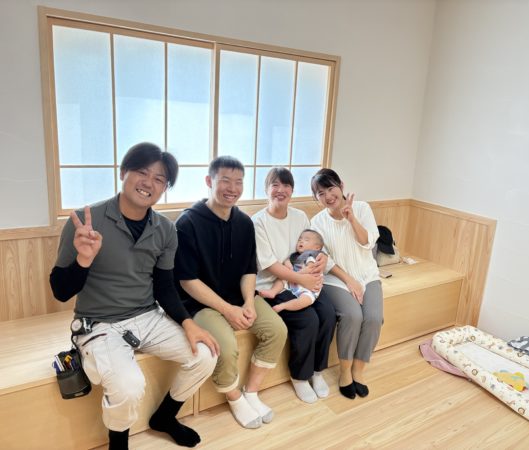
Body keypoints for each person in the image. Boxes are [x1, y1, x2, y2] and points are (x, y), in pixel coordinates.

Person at [49, 142, 219, 450]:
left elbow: (164, 287)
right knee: (129, 386)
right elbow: (60, 292)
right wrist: (84, 260)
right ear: (123, 172)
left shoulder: (165, 229)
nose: (149, 182)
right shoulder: (86, 221)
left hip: (147, 316)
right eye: (142, 172)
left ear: (164, 188)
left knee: (206, 354)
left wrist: (188, 323)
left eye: (159, 179)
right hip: (98, 322)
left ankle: (164, 417)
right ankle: (119, 445)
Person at [174, 156, 287, 429]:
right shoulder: (187, 223)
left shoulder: (245, 223)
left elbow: (249, 270)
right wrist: (228, 310)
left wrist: (248, 301)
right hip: (200, 304)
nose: (232, 188)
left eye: (238, 182)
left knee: (277, 330)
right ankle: (235, 398)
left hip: (240, 297)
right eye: (225, 180)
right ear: (209, 181)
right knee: (224, 347)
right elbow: (188, 281)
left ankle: (252, 392)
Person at [252, 168, 336, 404]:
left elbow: (315, 246)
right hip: (274, 284)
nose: (281, 190)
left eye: (286, 185)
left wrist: (321, 259)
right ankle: (300, 376)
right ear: (266, 189)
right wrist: (301, 279)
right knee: (308, 319)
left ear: (292, 190)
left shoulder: (300, 217)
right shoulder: (257, 222)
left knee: (328, 314)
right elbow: (269, 265)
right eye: (275, 185)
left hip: (304, 279)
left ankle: (317, 371)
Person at [310, 168, 383, 400]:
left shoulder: (362, 208)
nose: (328, 196)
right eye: (320, 193)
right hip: (336, 278)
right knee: (352, 316)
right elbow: (325, 260)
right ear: (316, 198)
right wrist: (349, 280)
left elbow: (368, 243)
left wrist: (351, 219)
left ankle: (358, 370)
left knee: (373, 318)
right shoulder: (317, 222)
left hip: (367, 274)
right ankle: (344, 372)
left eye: (330, 188)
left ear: (341, 185)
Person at [259, 229, 326, 313]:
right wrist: (287, 264)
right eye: (299, 239)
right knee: (281, 279)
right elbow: (287, 261)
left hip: (309, 287)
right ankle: (273, 291)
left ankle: (284, 306)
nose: (301, 241)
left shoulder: (311, 256)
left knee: (304, 301)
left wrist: (296, 274)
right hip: (294, 281)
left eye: (306, 240)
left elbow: (310, 269)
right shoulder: (295, 255)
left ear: (316, 248)